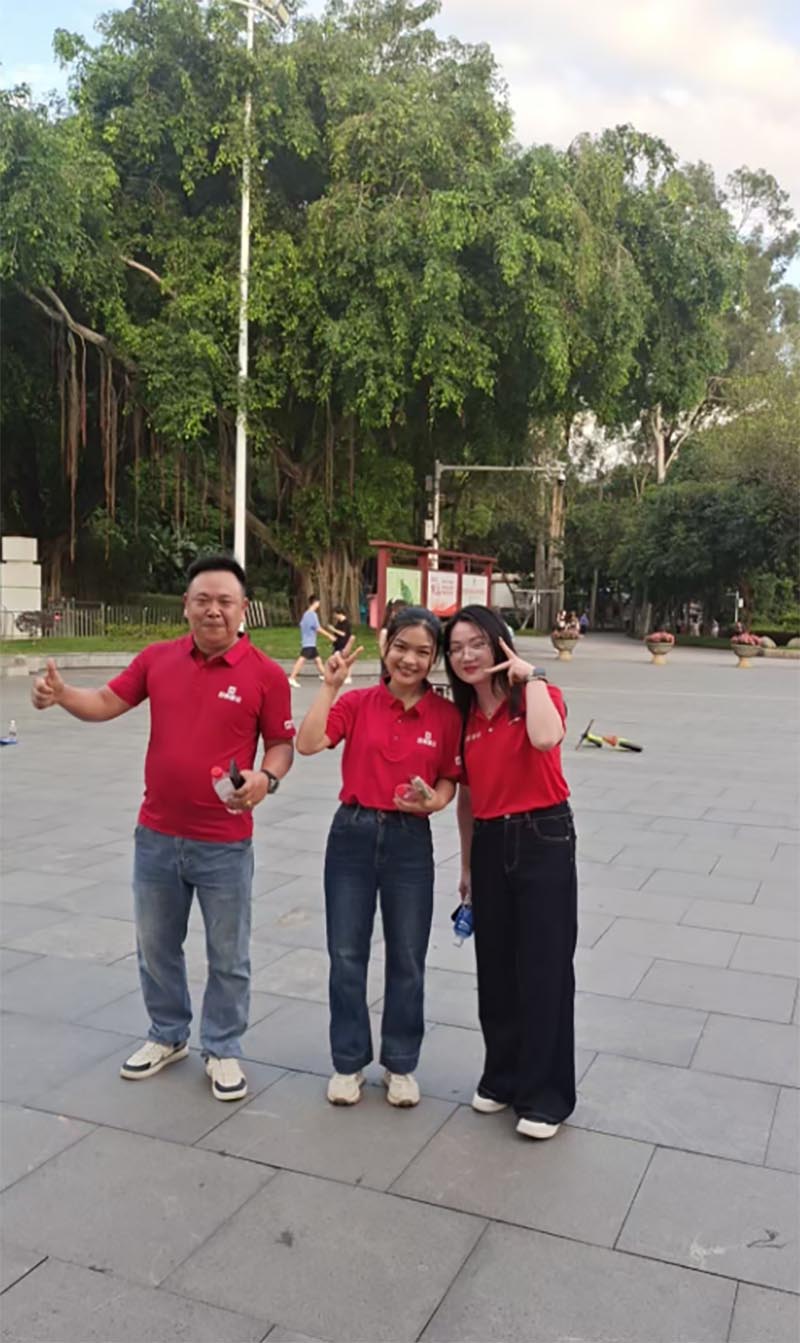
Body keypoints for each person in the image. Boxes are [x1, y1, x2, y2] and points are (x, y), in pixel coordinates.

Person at [30, 555, 295, 1102]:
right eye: (203, 600)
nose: (214, 610)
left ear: (243, 609)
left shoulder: (266, 675)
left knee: (229, 955)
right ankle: (168, 1034)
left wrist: (266, 779)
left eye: (225, 601)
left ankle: (222, 1046)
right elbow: (106, 701)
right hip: (156, 835)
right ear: (186, 606)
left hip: (224, 842)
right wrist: (62, 696)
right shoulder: (158, 659)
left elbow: (281, 745)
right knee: (155, 947)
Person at [296, 606, 463, 1108]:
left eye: (422, 652)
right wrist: (329, 687)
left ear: (434, 659)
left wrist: (434, 801)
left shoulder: (446, 716)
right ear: (386, 647)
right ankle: (348, 1062)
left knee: (408, 955)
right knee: (346, 953)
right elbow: (308, 743)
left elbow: (449, 780)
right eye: (401, 648)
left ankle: (400, 1063)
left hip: (410, 841)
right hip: (352, 833)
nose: (409, 660)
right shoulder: (359, 702)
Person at [444, 605, 577, 1141]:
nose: (467, 656)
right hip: (490, 840)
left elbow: (546, 739)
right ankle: (502, 1075)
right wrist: (467, 866)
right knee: (495, 966)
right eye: (456, 648)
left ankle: (546, 1096)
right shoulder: (466, 721)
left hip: (543, 836)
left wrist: (533, 676)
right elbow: (467, 799)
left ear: (500, 643)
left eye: (477, 643)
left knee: (545, 967)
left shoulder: (537, 696)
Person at [288, 595, 335, 688]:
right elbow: (318, 628)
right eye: (318, 603)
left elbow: (302, 626)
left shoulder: (305, 614)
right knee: (302, 659)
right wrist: (329, 635)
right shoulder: (312, 615)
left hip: (309, 642)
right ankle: (292, 677)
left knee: (318, 660)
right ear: (315, 603)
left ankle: (327, 677)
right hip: (309, 642)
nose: (319, 605)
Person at [331, 603, 353, 685]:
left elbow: (343, 634)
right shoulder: (338, 623)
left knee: (346, 660)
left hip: (344, 644)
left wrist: (334, 630)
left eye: (335, 614)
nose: (334, 616)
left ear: (339, 613)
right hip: (337, 644)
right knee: (335, 660)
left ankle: (348, 677)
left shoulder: (346, 623)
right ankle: (337, 675)